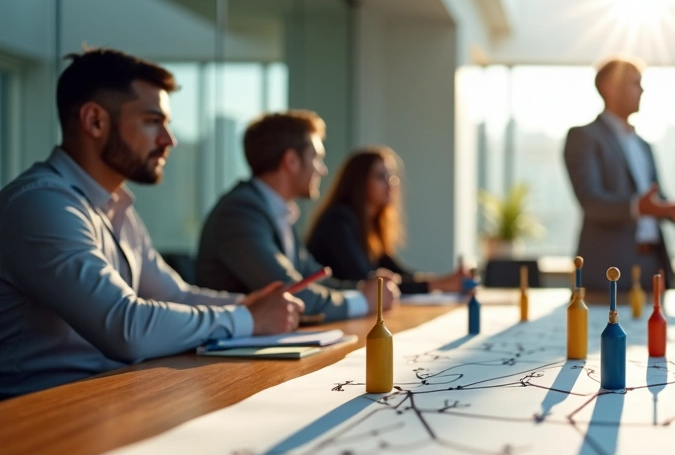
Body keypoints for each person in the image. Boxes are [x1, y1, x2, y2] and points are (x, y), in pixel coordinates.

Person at [0, 49, 302, 399]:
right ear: (95, 121)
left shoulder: (117, 209)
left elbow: (174, 295)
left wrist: (247, 305)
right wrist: (249, 320)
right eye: (152, 121)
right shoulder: (40, 205)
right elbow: (125, 326)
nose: (168, 140)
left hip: (106, 401)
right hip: (37, 421)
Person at [196, 111, 398, 321]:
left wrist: (364, 289)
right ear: (291, 161)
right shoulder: (239, 213)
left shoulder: (276, 211)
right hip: (233, 351)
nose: (323, 170)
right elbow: (292, 292)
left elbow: (312, 279)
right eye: (317, 158)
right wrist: (364, 301)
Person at [563, 57, 675, 292]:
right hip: (608, 268)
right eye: (635, 83)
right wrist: (637, 207)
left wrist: (670, 210)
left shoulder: (643, 144)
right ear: (610, 88)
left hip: (651, 265)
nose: (642, 90)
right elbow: (590, 200)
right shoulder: (584, 137)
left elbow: (653, 199)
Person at [306, 147, 466, 291]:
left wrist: (445, 280)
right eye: (380, 176)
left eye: (391, 176)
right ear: (359, 182)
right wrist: (441, 284)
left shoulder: (371, 224)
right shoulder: (338, 221)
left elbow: (396, 272)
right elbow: (368, 283)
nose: (391, 183)